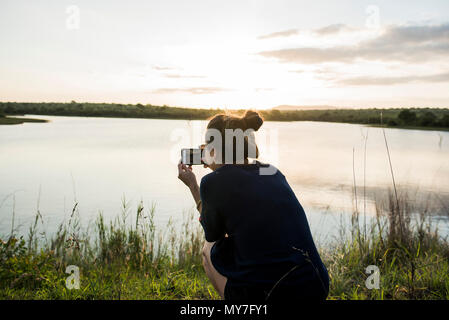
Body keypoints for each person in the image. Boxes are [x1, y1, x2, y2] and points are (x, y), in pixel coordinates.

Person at [177, 110, 329, 301]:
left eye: (207, 145)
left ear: (214, 148)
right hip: (317, 288)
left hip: (271, 297)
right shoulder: (272, 172)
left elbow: (213, 234)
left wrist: (193, 185)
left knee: (208, 250)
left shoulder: (212, 183)